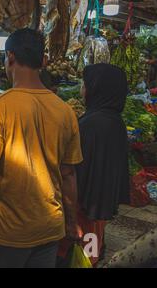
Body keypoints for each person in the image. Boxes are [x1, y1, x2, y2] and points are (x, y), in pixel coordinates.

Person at [0, 28, 83, 268]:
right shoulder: (66, 112)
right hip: (49, 229)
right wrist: (71, 222)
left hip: (5, 233)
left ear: (10, 57)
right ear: (43, 62)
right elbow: (69, 174)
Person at [58, 64, 130, 267]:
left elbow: (73, 171)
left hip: (83, 208)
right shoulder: (113, 120)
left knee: (79, 254)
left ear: (96, 89)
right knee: (91, 249)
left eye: (84, 84)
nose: (82, 88)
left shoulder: (92, 124)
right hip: (99, 204)